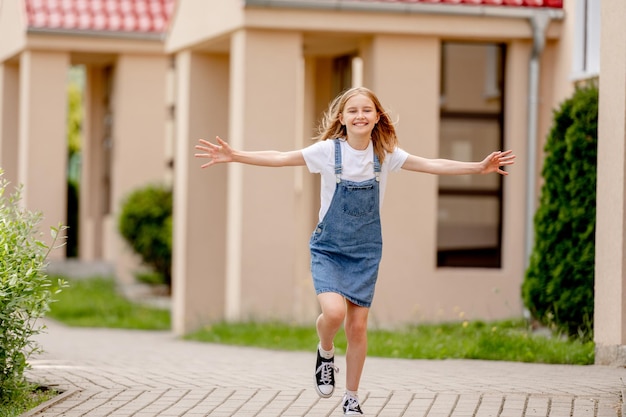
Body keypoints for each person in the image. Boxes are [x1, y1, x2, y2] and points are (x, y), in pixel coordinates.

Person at [194, 86, 515, 416]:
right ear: (342, 118)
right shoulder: (327, 152)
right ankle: (325, 349)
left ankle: (351, 398)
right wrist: (236, 155)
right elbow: (281, 157)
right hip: (329, 247)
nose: (360, 115)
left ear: (377, 117)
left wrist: (478, 167)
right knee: (334, 314)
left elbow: (432, 164)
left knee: (358, 327)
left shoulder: (386, 155)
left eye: (366, 110)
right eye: (352, 110)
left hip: (365, 251)